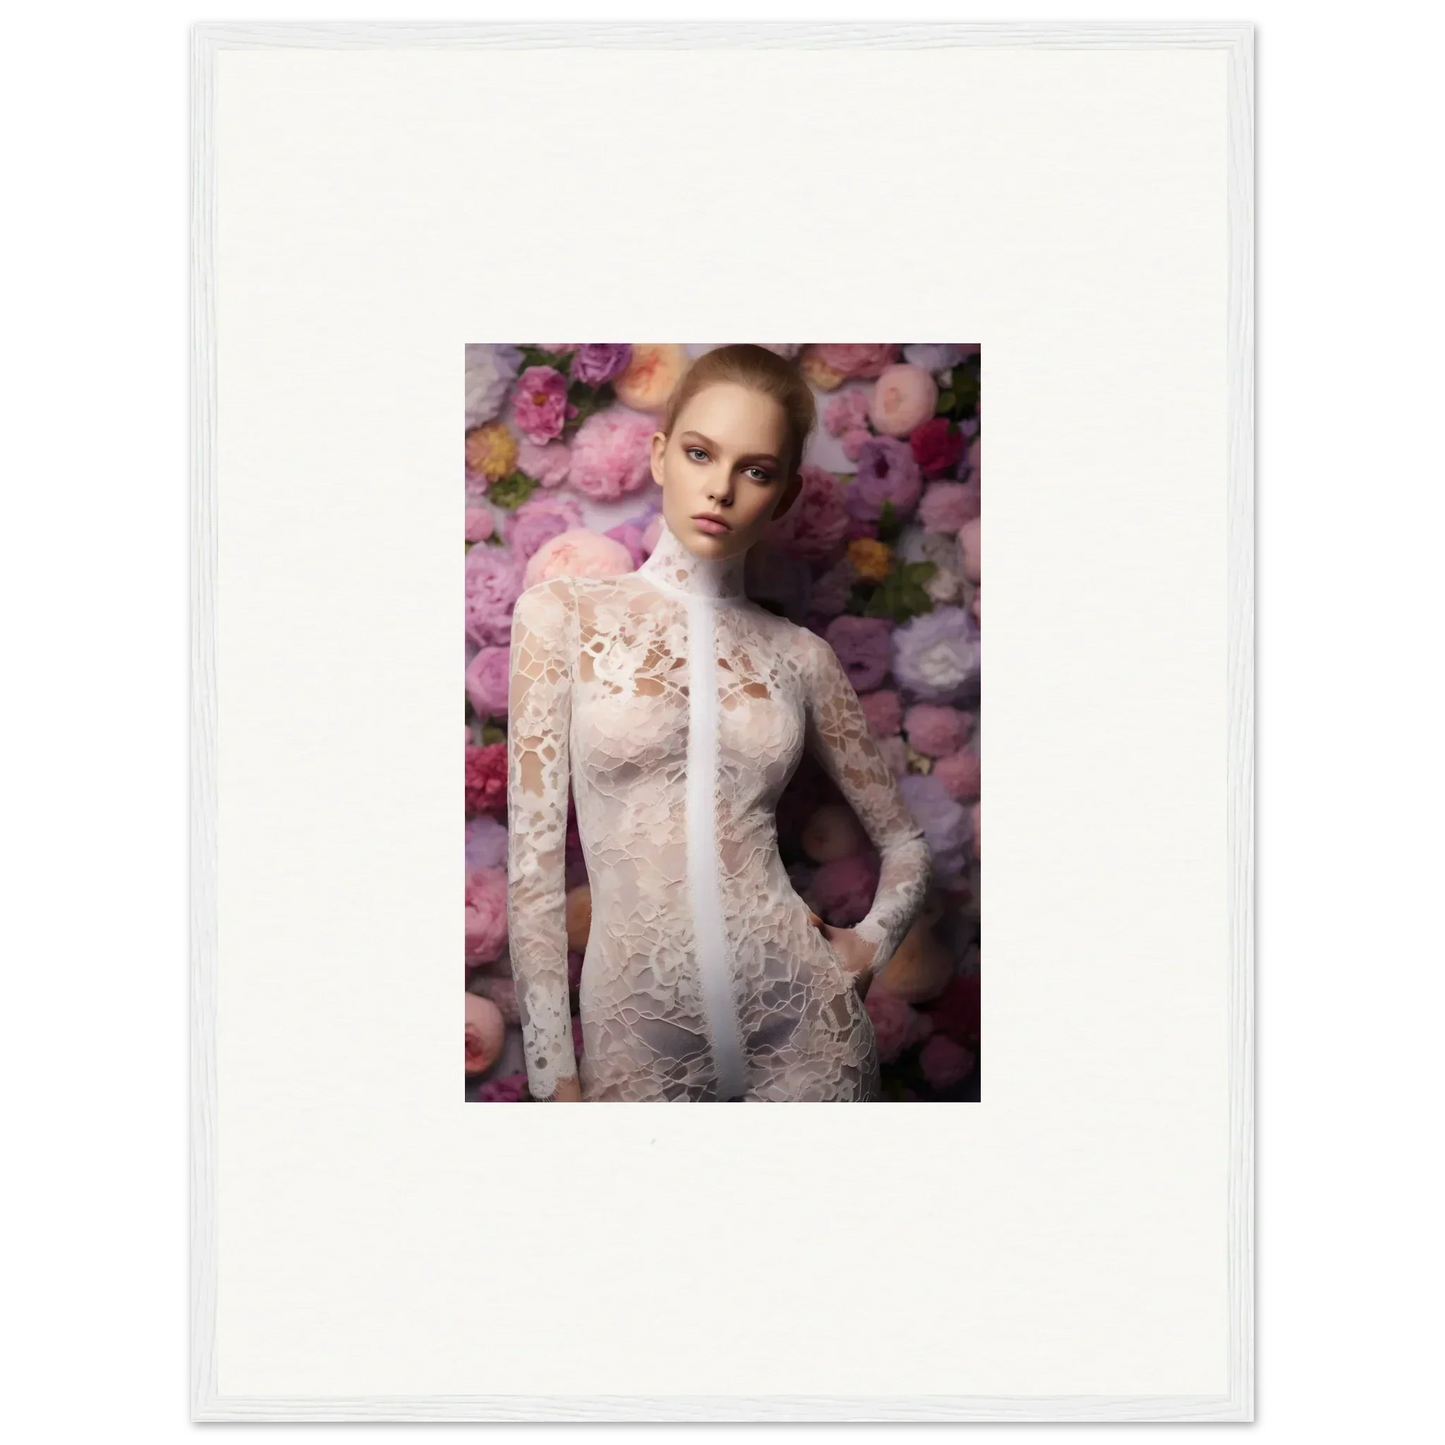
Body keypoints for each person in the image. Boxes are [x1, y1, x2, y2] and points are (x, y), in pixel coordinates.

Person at [506, 344, 932, 1101]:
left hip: (805, 1021)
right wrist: (550, 1076)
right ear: (661, 454)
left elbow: (905, 841)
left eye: (756, 469)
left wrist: (868, 944)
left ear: (786, 492)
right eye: (702, 453)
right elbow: (533, 872)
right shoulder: (562, 617)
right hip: (637, 1034)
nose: (723, 488)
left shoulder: (801, 657)